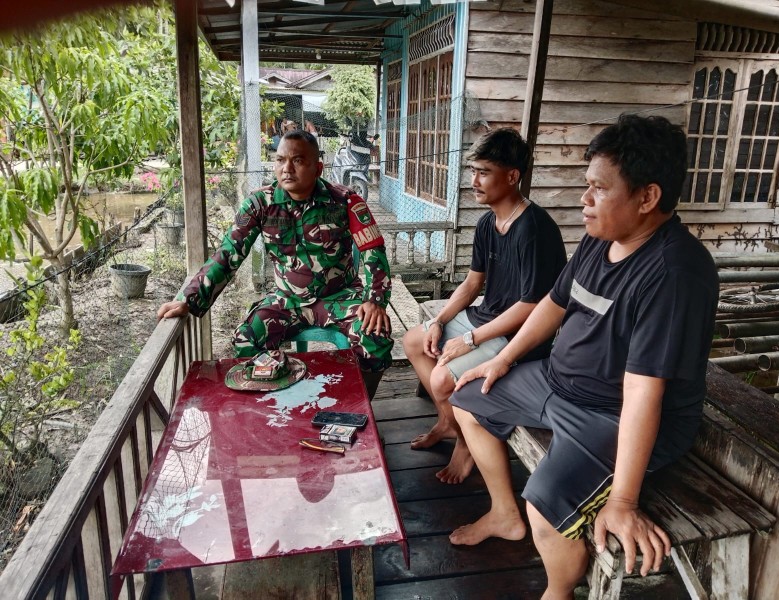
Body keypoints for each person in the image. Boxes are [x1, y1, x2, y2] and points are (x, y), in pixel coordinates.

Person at [447, 114, 719, 599]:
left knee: (546, 507)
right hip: (555, 382)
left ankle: (558, 590)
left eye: (597, 188)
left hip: (610, 414)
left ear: (647, 197)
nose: (584, 199)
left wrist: (624, 500)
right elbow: (554, 302)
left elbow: (642, 393)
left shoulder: (675, 273)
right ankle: (503, 515)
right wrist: (503, 359)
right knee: (465, 395)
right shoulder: (601, 240)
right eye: (585, 185)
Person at [157, 130, 393, 398]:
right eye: (280, 160)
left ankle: (361, 408)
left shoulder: (345, 200)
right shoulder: (260, 204)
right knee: (247, 337)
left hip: (339, 297)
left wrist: (375, 300)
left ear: (318, 167)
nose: (287, 169)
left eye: (298, 161)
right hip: (287, 299)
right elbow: (228, 253)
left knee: (375, 337)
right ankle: (274, 407)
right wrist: (189, 299)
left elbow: (373, 250)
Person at [402, 128, 566, 484]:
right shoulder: (487, 223)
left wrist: (471, 339)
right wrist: (440, 320)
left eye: (484, 172)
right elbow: (473, 283)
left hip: (518, 336)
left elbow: (532, 306)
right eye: (472, 171)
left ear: (512, 176)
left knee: (443, 377)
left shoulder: (534, 229)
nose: (473, 181)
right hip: (487, 318)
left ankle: (466, 444)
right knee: (414, 341)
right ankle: (448, 422)